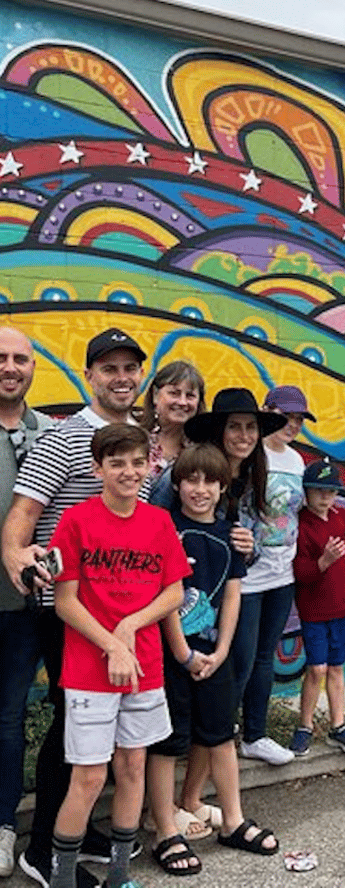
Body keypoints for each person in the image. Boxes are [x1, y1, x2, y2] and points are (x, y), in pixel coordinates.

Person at [1, 327, 148, 888]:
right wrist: (15, 553)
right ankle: (43, 850)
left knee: (98, 733)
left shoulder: (138, 443)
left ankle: (77, 831)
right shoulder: (63, 439)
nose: (121, 378)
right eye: (109, 369)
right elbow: (22, 515)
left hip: (118, 617)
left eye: (129, 368)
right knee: (74, 728)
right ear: (89, 377)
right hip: (69, 613)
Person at [47, 424, 190, 888]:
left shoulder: (159, 522)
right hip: (89, 669)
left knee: (132, 769)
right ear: (98, 469)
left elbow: (173, 592)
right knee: (89, 778)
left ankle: (120, 876)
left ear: (149, 465)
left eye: (137, 462)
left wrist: (130, 625)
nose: (128, 472)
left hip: (144, 666)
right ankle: (63, 879)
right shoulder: (76, 521)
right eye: (116, 463)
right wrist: (112, 643)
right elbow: (65, 602)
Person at [146, 443, 279, 876]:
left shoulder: (230, 534)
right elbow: (166, 595)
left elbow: (233, 595)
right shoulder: (166, 530)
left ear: (223, 487)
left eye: (209, 481)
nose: (199, 489)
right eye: (191, 480)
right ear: (177, 485)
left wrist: (221, 651)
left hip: (213, 655)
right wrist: (183, 654)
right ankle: (166, 829)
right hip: (172, 655)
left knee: (221, 735)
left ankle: (233, 820)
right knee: (167, 742)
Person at [173, 387, 289, 816]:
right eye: (234, 427)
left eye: (251, 427)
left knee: (227, 689)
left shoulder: (251, 474)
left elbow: (242, 547)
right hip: (187, 607)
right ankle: (172, 804)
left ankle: (191, 797)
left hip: (234, 592)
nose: (243, 436)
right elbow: (170, 531)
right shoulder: (197, 473)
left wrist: (248, 548)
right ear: (219, 432)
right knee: (201, 700)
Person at [231, 385, 313, 765]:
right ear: (267, 413)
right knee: (241, 658)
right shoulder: (251, 454)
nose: (292, 425)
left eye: (299, 419)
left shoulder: (296, 461)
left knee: (265, 656)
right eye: (285, 417)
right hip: (248, 576)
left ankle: (255, 735)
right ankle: (219, 735)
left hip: (283, 573)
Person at [0, 328, 55, 878]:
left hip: (25, 611)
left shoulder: (50, 435)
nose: (10, 367)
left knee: (9, 719)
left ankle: (2, 826)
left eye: (20, 358)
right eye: (1, 358)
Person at [289, 459, 345, 756]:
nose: (325, 497)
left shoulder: (342, 517)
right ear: (306, 492)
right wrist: (323, 561)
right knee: (316, 668)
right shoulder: (300, 524)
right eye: (318, 490)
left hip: (342, 606)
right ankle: (304, 725)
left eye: (331, 491)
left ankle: (338, 725)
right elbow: (300, 572)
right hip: (314, 610)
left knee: (336, 667)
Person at [140, 360, 205, 499]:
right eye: (174, 393)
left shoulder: (204, 449)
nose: (182, 402)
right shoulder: (136, 439)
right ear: (155, 395)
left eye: (190, 396)